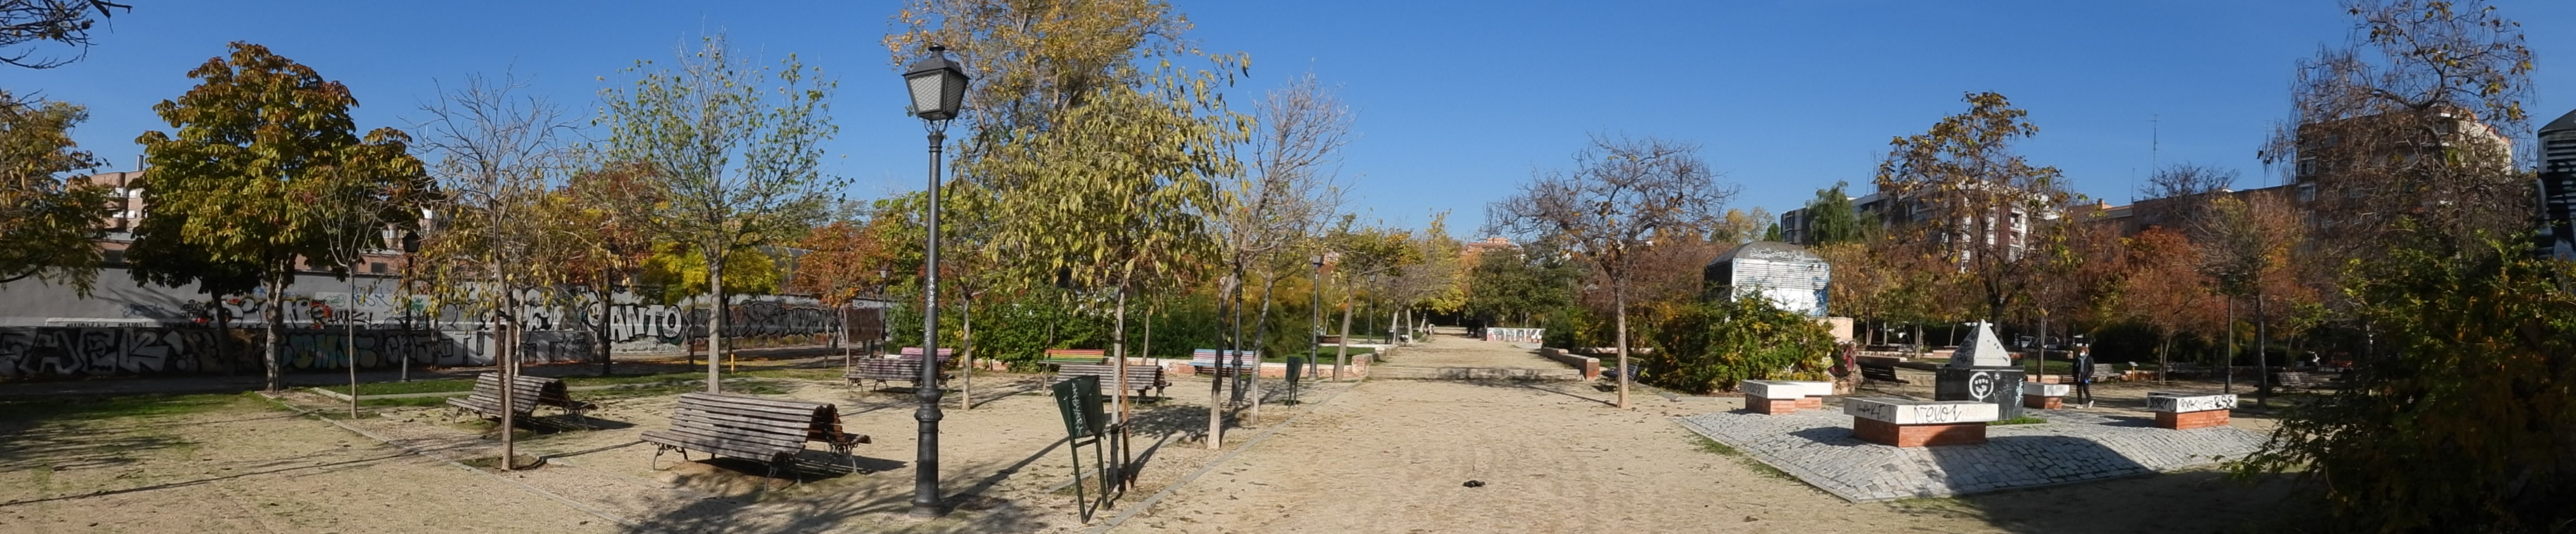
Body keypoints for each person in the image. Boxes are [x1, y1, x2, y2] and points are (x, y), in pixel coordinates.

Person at [2071, 343, 2097, 408]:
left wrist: (2088, 376)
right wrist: (2074, 375)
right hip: (2078, 376)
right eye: (2080, 352)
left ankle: (2090, 400)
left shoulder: (2089, 359)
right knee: (2079, 390)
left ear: (2086, 352)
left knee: (2086, 389)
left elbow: (2092, 369)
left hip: (2086, 377)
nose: (2081, 353)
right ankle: (2080, 404)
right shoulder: (2077, 359)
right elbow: (2074, 368)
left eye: (2082, 352)